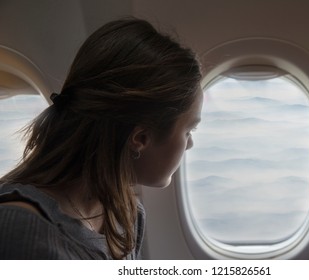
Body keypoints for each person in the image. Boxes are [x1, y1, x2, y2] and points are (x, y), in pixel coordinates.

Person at [0, 18, 203, 259]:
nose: (189, 144)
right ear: (140, 138)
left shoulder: (125, 214)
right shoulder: (19, 230)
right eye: (188, 131)